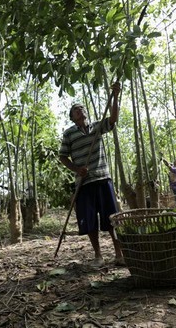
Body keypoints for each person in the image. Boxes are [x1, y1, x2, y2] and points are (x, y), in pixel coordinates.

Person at [58, 82, 124, 268]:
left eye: (81, 108)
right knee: (89, 220)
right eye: (76, 110)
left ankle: (119, 253)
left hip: (103, 178)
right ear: (72, 118)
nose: (80, 110)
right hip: (84, 183)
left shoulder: (97, 127)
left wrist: (115, 96)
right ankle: (98, 255)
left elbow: (113, 118)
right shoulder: (69, 134)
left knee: (112, 218)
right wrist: (76, 169)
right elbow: (62, 156)